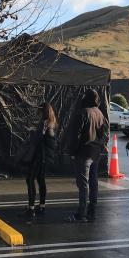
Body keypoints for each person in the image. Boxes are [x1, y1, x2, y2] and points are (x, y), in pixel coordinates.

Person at [67, 89, 108, 222]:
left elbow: (75, 136)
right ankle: (92, 211)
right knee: (93, 182)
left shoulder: (82, 113)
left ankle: (81, 213)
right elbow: (103, 135)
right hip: (95, 153)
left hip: (83, 153)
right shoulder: (100, 113)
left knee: (83, 184)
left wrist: (72, 152)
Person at [23, 103, 57, 221]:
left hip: (39, 156)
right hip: (46, 157)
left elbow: (38, 138)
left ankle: (31, 208)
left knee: (30, 179)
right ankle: (42, 206)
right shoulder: (51, 122)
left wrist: (32, 131)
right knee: (41, 180)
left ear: (43, 111)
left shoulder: (44, 123)